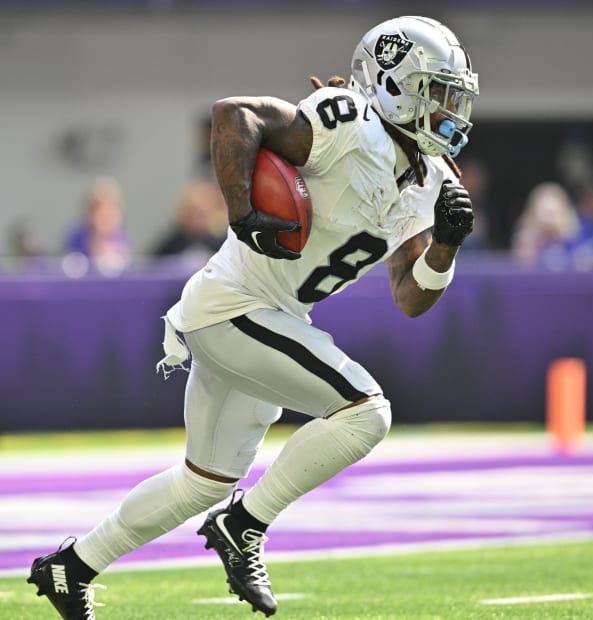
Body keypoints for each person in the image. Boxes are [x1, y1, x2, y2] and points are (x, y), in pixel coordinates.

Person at [28, 16, 479, 619]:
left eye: (456, 94)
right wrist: (241, 213)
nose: (452, 109)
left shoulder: (426, 179)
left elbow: (410, 296)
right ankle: (245, 525)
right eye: (439, 91)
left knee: (201, 481)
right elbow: (233, 114)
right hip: (238, 306)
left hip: (267, 318)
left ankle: (72, 566)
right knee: (367, 413)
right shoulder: (351, 123)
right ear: (395, 85)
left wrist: (445, 249)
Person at [64, 177, 131, 275]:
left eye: (112, 210)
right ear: (89, 212)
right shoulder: (76, 238)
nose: (106, 215)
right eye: (99, 210)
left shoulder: (122, 239)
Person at [151, 179, 228, 264]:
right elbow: (152, 265)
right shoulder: (175, 240)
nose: (197, 221)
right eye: (192, 213)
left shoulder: (223, 242)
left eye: (201, 215)